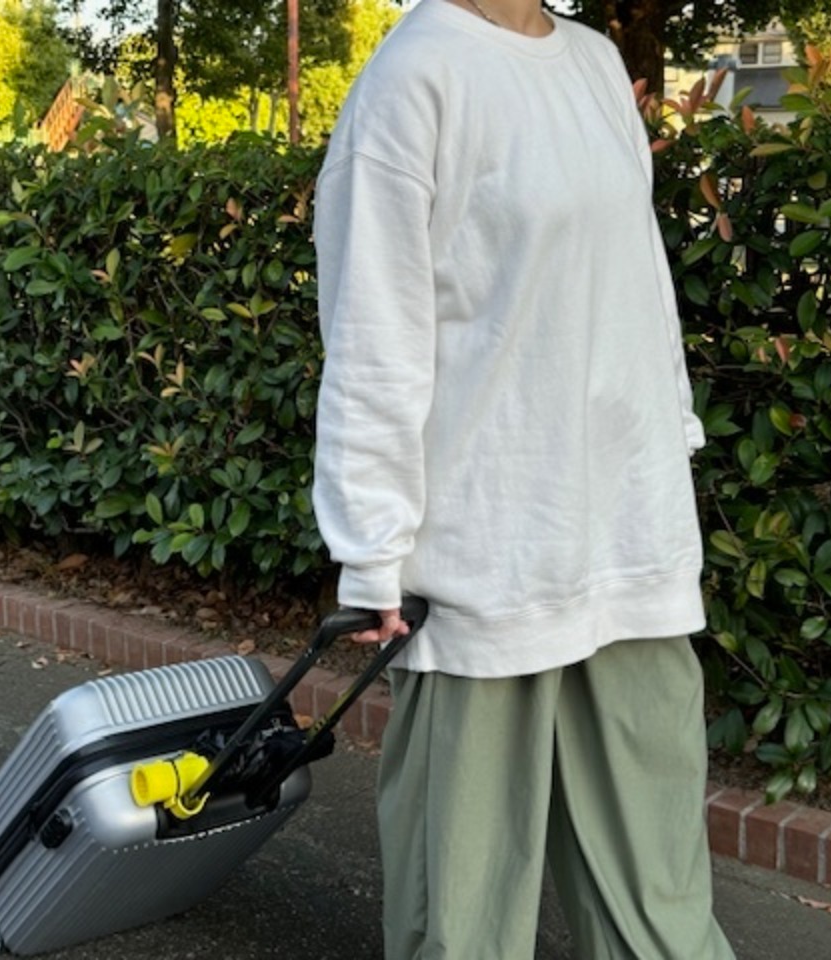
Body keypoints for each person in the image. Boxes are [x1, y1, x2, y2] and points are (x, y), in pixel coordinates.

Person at [310, 1, 737, 958]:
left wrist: (671, 436)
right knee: (462, 918)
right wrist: (372, 550)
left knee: (661, 905)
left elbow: (640, 282)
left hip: (626, 540)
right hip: (485, 561)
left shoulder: (595, 63)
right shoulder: (413, 77)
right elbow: (374, 338)